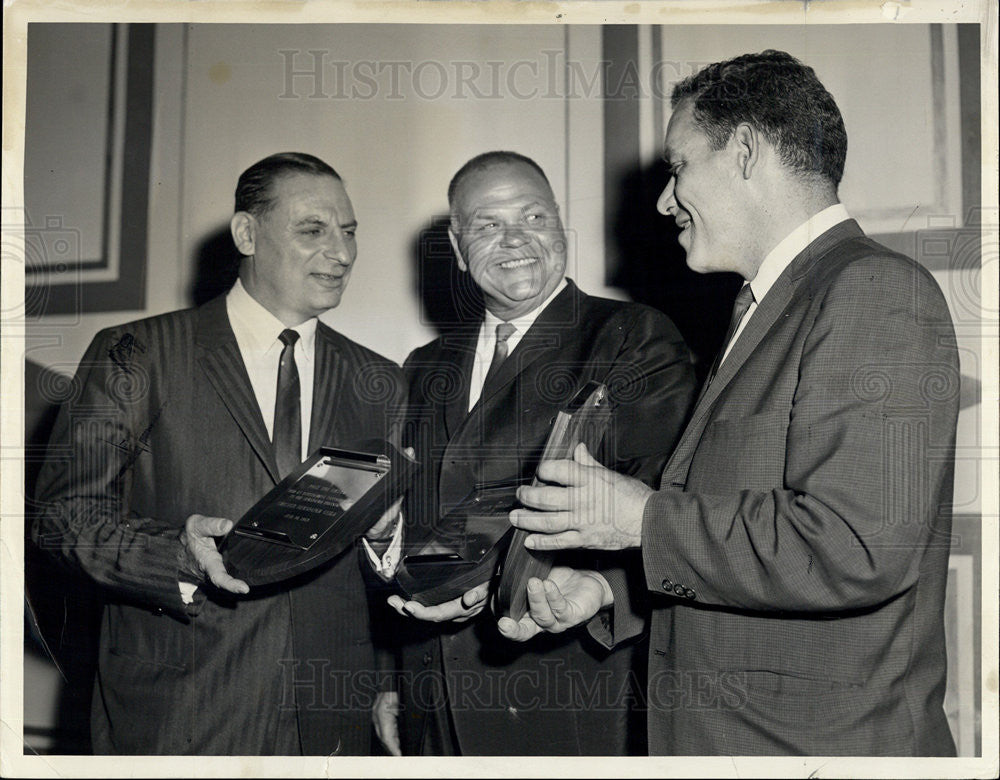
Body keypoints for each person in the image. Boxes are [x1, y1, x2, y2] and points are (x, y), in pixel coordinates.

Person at [503, 51, 960, 756]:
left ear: (744, 150)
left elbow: (858, 546)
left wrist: (640, 518)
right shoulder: (768, 306)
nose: (663, 200)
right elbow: (742, 537)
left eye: (678, 166)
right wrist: (608, 591)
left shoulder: (875, 293)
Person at [32, 152, 406, 755]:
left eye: (349, 232)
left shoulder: (381, 380)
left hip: (331, 721)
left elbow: (386, 581)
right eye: (314, 230)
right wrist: (174, 556)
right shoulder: (137, 353)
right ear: (247, 233)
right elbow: (60, 519)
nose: (341, 253)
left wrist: (387, 544)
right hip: (179, 713)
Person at [375, 151, 696, 756]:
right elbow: (402, 528)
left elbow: (666, 508)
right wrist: (392, 679)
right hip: (432, 695)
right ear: (457, 242)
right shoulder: (423, 368)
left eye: (533, 217)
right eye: (488, 224)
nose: (514, 241)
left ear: (558, 223)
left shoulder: (631, 336)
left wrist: (601, 588)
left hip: (564, 683)